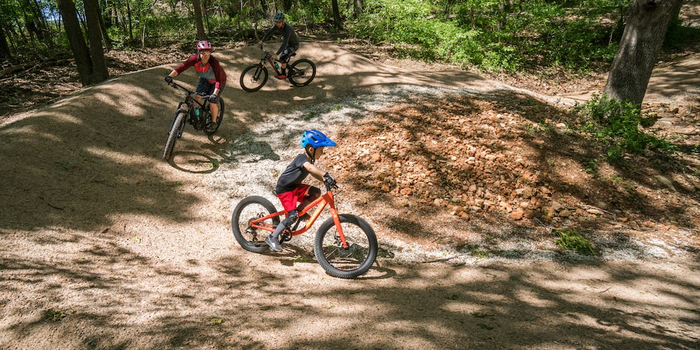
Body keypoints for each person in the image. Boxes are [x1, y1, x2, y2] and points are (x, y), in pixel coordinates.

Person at [265, 129, 337, 252]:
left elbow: (312, 172)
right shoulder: (301, 159)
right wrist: (326, 174)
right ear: (311, 149)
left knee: (315, 192)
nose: (322, 152)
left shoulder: (309, 160)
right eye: (321, 150)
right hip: (285, 190)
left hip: (294, 187)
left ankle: (299, 213)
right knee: (291, 216)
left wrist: (324, 180)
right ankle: (272, 237)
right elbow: (310, 168)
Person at [165, 40, 226, 128]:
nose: (206, 57)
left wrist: (214, 94)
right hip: (205, 79)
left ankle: (213, 121)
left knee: (212, 102)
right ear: (198, 53)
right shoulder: (194, 59)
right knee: (197, 96)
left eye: (208, 54)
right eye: (203, 54)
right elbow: (182, 67)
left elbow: (219, 80)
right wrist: (170, 76)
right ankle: (197, 115)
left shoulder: (214, 62)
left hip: (218, 81)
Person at [258, 11, 299, 79]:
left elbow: (284, 43)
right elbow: (269, 32)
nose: (278, 24)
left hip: (294, 46)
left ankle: (283, 74)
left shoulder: (288, 29)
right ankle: (292, 70)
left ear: (283, 22)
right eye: (276, 22)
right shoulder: (277, 26)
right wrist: (262, 40)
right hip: (288, 45)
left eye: (279, 22)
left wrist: (276, 54)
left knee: (282, 57)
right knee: (283, 59)